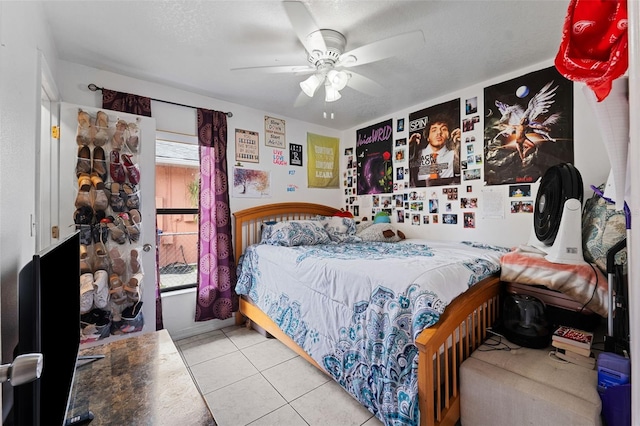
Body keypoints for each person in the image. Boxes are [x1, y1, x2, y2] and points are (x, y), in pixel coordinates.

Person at [408, 113, 460, 187]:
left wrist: (464, 142)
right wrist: (407, 147)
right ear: (427, 137)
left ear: (449, 135)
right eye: (434, 130)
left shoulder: (455, 155)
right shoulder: (416, 155)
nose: (439, 132)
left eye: (444, 129)